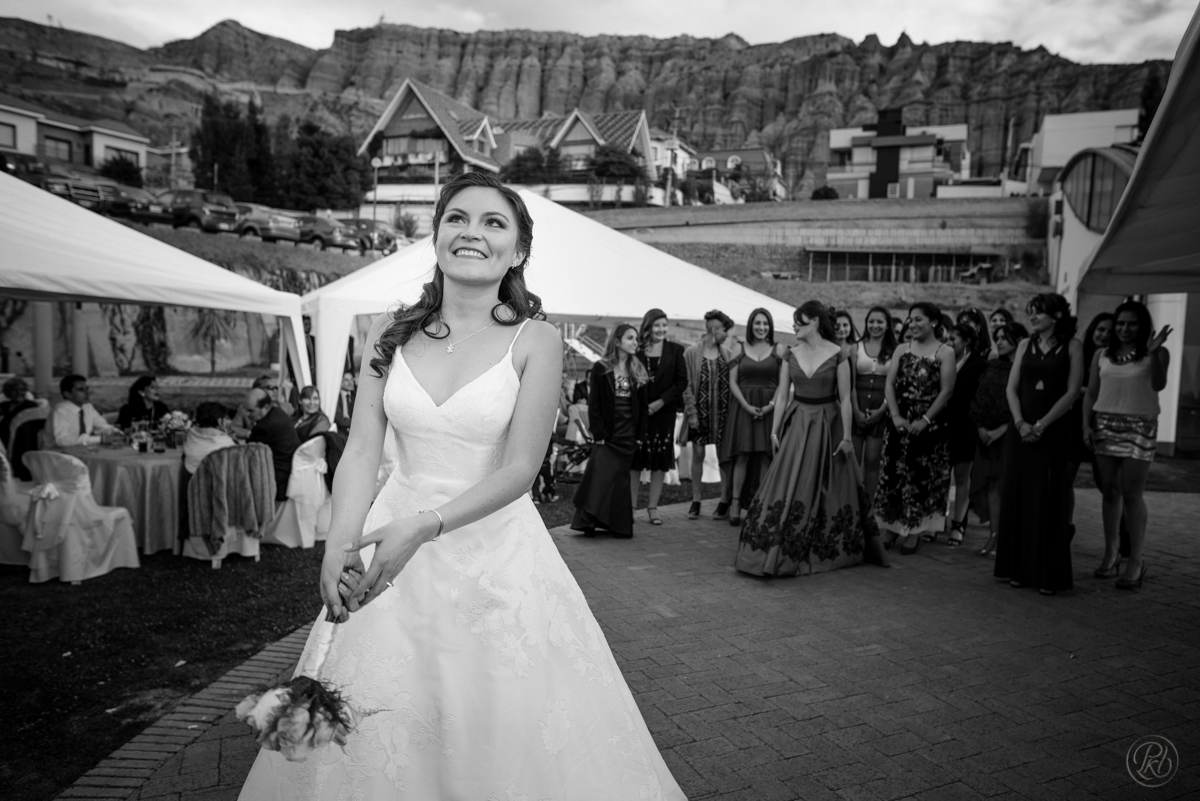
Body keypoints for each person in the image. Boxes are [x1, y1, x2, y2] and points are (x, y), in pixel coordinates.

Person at [239, 172, 685, 799]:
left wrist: (424, 526)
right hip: (386, 545)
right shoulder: (388, 334)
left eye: (493, 222)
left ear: (518, 251)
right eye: (457, 218)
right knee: (385, 720)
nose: (472, 232)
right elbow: (363, 447)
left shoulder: (536, 341)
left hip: (492, 551)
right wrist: (338, 544)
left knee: (492, 719)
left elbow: (520, 469)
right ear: (438, 233)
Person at [734, 301, 888, 576]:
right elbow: (782, 396)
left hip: (829, 425)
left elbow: (844, 399)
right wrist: (774, 430)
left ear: (815, 322)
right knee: (792, 483)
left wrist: (848, 438)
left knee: (828, 486)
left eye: (799, 321)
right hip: (798, 424)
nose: (794, 326)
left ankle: (826, 545)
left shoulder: (839, 353)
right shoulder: (789, 352)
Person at [994, 293, 1083, 596]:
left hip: (1055, 431)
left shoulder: (1073, 346)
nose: (1032, 317)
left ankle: (1049, 573)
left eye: (1039, 313)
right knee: (1018, 495)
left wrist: (1042, 425)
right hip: (1021, 431)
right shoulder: (1023, 345)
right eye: (1030, 312)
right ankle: (1018, 569)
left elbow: (1072, 393)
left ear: (1057, 316)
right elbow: (1012, 388)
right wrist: (1020, 423)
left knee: (1049, 498)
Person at [1083, 300, 1171, 590]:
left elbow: (1159, 385)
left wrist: (1155, 352)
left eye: (1131, 323)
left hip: (1140, 425)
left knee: (1133, 493)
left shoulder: (1156, 353)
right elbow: (1091, 393)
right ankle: (1111, 552)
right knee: (1109, 490)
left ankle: (1135, 559)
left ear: (1142, 325)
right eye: (1120, 323)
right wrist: (1086, 424)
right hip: (1105, 423)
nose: (1124, 328)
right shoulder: (1101, 355)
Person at [874, 302, 956, 554]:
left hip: (930, 422)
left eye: (918, 319)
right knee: (893, 473)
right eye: (910, 319)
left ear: (933, 322)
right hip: (899, 419)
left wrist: (926, 420)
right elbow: (889, 385)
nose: (912, 324)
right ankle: (890, 526)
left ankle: (916, 529)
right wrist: (896, 416)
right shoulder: (901, 349)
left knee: (921, 475)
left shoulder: (945, 352)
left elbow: (946, 391)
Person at [571, 324, 649, 538]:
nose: (635, 342)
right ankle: (587, 521)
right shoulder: (601, 368)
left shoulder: (638, 369)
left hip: (628, 435)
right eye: (630, 338)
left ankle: (617, 524)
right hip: (608, 434)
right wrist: (599, 433)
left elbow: (642, 407)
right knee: (599, 476)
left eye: (636, 339)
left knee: (620, 481)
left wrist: (640, 435)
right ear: (617, 341)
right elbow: (594, 403)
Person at [720, 308, 786, 526]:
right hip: (743, 407)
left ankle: (761, 504)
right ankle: (736, 503)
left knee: (767, 456)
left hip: (770, 408)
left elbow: (783, 383)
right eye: (757, 323)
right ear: (750, 325)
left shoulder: (779, 349)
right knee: (742, 456)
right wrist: (746, 405)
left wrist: (772, 405)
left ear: (770, 326)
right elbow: (732, 382)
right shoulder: (738, 347)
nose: (761, 327)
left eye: (765, 324)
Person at [969, 322, 1027, 557]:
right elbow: (980, 397)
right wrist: (982, 425)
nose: (1000, 341)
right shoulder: (992, 366)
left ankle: (1009, 537)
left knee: (1008, 484)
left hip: (1012, 434)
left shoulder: (1026, 368)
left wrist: (1004, 428)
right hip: (987, 436)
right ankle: (994, 534)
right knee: (991, 485)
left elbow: (1024, 401)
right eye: (998, 337)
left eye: (1006, 337)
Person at [630, 308, 688, 526]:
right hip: (640, 414)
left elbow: (681, 383)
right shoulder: (637, 351)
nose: (661, 329)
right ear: (648, 326)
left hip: (665, 413)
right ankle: (631, 507)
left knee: (659, 461)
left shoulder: (676, 350)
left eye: (664, 325)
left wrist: (661, 401)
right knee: (636, 460)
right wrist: (643, 406)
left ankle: (653, 508)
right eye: (657, 325)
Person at [681, 309, 739, 521]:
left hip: (723, 412)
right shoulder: (691, 353)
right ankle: (696, 500)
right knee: (698, 455)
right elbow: (686, 386)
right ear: (715, 330)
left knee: (724, 458)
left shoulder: (727, 353)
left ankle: (724, 500)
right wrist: (692, 413)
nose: (727, 335)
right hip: (700, 412)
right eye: (725, 331)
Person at [939, 322, 987, 546]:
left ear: (967, 341)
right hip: (942, 424)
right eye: (947, 339)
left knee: (961, 477)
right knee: (940, 477)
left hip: (965, 426)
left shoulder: (979, 364)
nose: (949, 343)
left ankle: (958, 524)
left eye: (953, 339)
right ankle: (937, 521)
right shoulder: (942, 359)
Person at [851, 307, 897, 505]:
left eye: (880, 322)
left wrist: (882, 410)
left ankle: (869, 504)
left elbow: (895, 384)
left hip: (882, 407)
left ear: (887, 325)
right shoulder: (856, 347)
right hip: (857, 407)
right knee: (852, 461)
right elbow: (850, 384)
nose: (875, 326)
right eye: (871, 321)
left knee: (872, 460)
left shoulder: (895, 349)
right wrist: (855, 410)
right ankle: (850, 501)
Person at [244, 387, 300, 502]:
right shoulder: (277, 412)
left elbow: (248, 451)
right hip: (290, 467)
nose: (246, 414)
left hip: (279, 478)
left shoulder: (265, 426)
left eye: (251, 411)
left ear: (265, 407)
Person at [49, 374, 116, 448]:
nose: (87, 392)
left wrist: (118, 433)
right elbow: (62, 441)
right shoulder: (60, 411)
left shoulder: (87, 407)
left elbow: (102, 425)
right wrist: (100, 439)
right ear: (67, 394)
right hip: (57, 453)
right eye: (81, 390)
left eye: (86, 389)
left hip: (80, 449)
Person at [183, 401, 236, 475]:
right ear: (220, 421)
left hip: (192, 481)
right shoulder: (226, 443)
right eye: (226, 418)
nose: (228, 421)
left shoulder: (190, 436)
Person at [0, 377, 37, 447]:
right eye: (15, 390)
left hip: (20, 442)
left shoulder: (31, 406)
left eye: (22, 390)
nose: (19, 393)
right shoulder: (4, 405)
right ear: (8, 392)